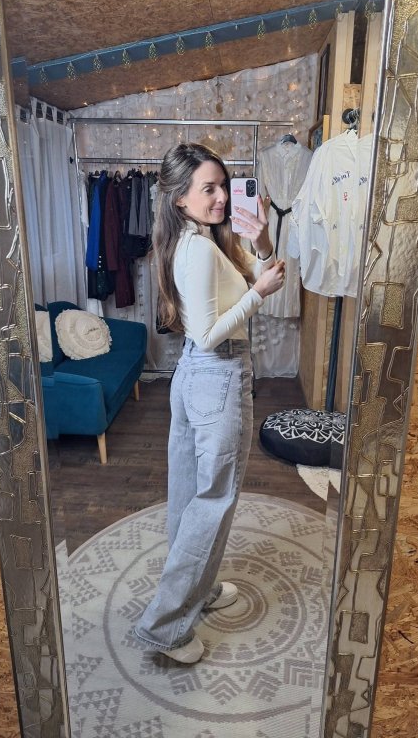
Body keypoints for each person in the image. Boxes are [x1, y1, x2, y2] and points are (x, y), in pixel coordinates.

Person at [132, 142, 287, 663]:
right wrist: (258, 293)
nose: (221, 197)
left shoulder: (197, 240)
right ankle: (165, 626)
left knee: (188, 494)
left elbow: (251, 284)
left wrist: (261, 242)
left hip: (196, 378)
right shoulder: (197, 250)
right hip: (216, 374)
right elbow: (207, 333)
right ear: (180, 198)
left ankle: (198, 589)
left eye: (223, 186)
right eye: (209, 189)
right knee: (213, 500)